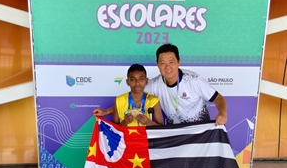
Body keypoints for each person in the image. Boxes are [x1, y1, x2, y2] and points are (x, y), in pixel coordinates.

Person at [94, 44, 227, 126]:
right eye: (162, 63)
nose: (167, 67)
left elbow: (218, 98)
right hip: (173, 131)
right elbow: (134, 94)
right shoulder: (155, 84)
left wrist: (222, 113)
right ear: (157, 65)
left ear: (179, 62)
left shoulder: (194, 80)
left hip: (199, 129)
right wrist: (106, 112)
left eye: (171, 62)